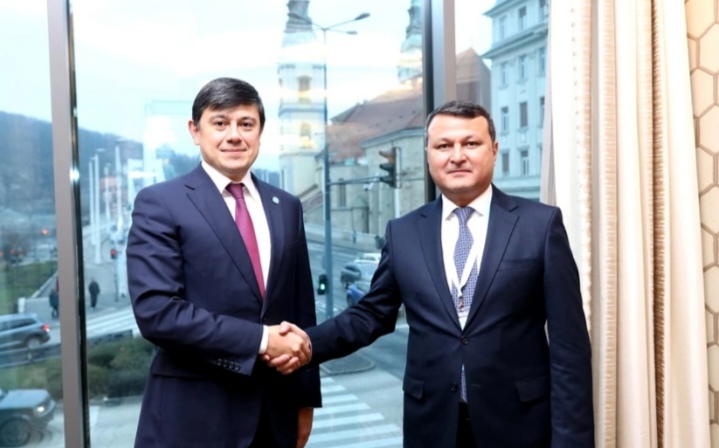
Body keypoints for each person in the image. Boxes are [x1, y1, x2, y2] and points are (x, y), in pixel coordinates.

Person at [272, 100, 594, 447]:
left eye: (470, 143)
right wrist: (307, 344)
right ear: (428, 155)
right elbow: (371, 315)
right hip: (432, 427)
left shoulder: (540, 225)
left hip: (520, 427)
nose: (457, 156)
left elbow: (570, 350)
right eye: (443, 146)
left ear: (494, 149)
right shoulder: (404, 232)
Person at [126, 77, 319, 448]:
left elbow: (302, 312)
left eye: (246, 124)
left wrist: (306, 400)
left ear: (260, 132)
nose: (234, 135)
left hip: (274, 417)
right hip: (192, 419)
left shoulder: (286, 207)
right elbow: (157, 312)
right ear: (195, 131)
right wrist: (261, 340)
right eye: (220, 123)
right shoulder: (160, 203)